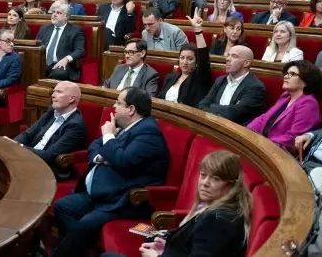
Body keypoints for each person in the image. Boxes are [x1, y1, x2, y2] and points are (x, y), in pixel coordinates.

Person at [51, 87, 169, 257]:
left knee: (85, 223)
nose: (114, 106)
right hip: (104, 193)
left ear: (131, 109)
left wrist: (108, 138)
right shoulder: (125, 127)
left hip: (124, 200)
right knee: (63, 207)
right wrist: (102, 156)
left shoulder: (148, 133)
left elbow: (123, 160)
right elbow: (94, 146)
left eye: (118, 102)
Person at [103, 150, 253, 257]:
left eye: (216, 179)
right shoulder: (217, 209)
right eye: (203, 175)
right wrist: (167, 245)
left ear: (231, 185)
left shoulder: (218, 220)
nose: (205, 183)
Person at [11, 81, 86, 180]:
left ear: (71, 99)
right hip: (32, 155)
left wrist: (19, 147)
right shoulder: (52, 111)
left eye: (59, 92)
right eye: (54, 92)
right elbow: (28, 134)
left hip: (50, 168)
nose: (53, 96)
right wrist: (11, 144)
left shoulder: (75, 125)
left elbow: (48, 156)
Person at [247, 60, 322, 149]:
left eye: (292, 74)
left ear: (306, 81)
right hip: (264, 145)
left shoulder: (309, 104)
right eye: (286, 73)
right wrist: (246, 132)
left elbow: (293, 137)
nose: (286, 76)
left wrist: (262, 144)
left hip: (280, 152)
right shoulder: (286, 96)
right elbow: (264, 118)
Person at [198, 44, 267, 126]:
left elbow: (234, 113)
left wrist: (212, 107)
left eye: (234, 56)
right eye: (228, 55)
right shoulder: (220, 80)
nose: (227, 59)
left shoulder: (255, 87)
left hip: (233, 132)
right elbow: (202, 105)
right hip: (211, 125)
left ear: (246, 63)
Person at [157, 10, 213, 108]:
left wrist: (198, 30)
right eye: (182, 58)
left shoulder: (199, 78)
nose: (185, 62)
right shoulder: (170, 78)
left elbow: (203, 58)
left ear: (196, 62)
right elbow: (160, 99)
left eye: (190, 59)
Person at [37, 1, 85, 82]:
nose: (54, 15)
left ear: (66, 16)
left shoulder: (75, 31)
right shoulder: (44, 29)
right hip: (42, 64)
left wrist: (66, 59)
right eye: (53, 12)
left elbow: (80, 50)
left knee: (60, 73)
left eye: (58, 13)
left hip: (61, 64)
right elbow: (36, 46)